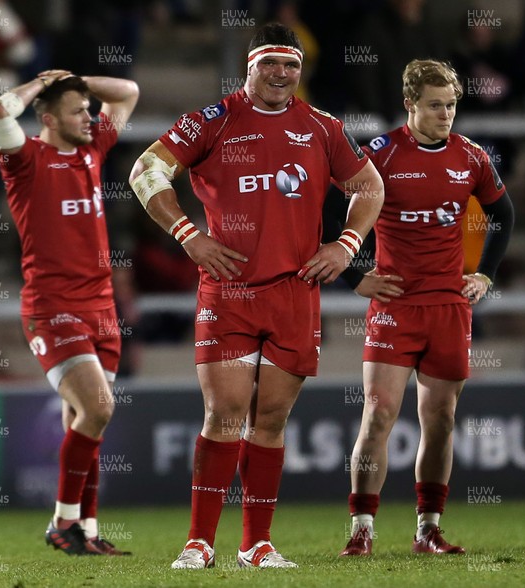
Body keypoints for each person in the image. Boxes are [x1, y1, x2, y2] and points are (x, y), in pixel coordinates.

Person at [129, 22, 384, 569]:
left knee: (269, 422)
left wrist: (346, 244)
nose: (281, 74)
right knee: (224, 413)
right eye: (270, 63)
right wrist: (188, 236)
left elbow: (370, 185)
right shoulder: (213, 120)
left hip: (296, 293)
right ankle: (198, 542)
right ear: (249, 66)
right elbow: (146, 170)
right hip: (228, 291)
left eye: (291, 65)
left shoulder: (322, 126)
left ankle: (256, 544)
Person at [339, 59, 514, 556]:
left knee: (440, 418)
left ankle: (428, 528)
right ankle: (362, 527)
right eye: (435, 105)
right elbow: (331, 209)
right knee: (378, 413)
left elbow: (503, 213)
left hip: (448, 306)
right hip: (395, 303)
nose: (445, 115)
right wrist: (356, 274)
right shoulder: (381, 154)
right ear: (410, 104)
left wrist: (485, 273)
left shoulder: (472, 157)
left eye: (452, 105)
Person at [0, 70, 139, 555]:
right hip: (52, 308)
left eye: (90, 110)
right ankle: (63, 522)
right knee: (98, 408)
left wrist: (78, 81)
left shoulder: (92, 151)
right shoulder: (26, 160)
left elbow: (129, 92)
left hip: (101, 307)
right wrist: (39, 84)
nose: (90, 117)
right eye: (78, 111)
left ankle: (85, 532)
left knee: (85, 418)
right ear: (49, 118)